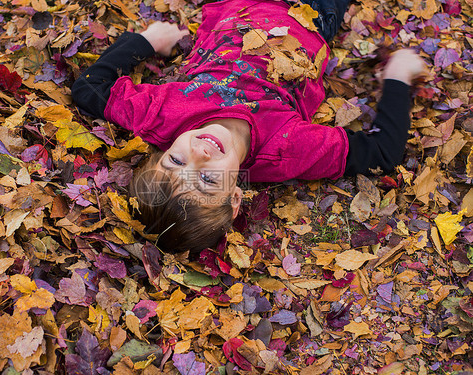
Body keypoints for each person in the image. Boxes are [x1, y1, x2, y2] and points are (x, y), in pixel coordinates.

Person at [71, 0, 425, 253]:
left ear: (161, 151)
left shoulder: (164, 116)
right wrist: (397, 80)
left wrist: (147, 41)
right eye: (208, 180)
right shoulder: (285, 149)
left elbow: (87, 90)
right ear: (235, 198)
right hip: (311, 11)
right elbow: (382, 152)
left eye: (176, 162)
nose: (199, 152)